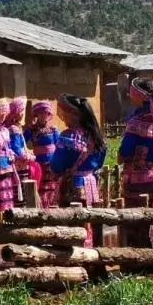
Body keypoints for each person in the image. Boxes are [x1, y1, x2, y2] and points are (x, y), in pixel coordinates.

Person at [46, 94, 106, 246]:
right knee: (89, 220)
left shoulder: (68, 137)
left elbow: (56, 166)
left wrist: (56, 171)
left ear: (73, 115)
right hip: (91, 184)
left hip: (72, 185)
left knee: (72, 223)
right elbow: (99, 163)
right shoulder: (96, 136)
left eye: (64, 114)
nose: (63, 118)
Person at [118, 78, 153, 207]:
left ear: (137, 97)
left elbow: (125, 152)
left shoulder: (136, 123)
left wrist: (120, 156)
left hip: (139, 183)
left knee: (136, 220)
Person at [25, 100, 60, 207]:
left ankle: (52, 207)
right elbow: (22, 142)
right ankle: (41, 208)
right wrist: (28, 154)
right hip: (39, 165)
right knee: (40, 187)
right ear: (37, 114)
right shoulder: (31, 130)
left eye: (46, 113)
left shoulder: (53, 130)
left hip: (52, 164)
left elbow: (59, 145)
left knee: (52, 187)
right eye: (41, 113)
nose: (44, 116)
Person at [7, 96, 35, 199]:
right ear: (16, 113)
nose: (23, 114)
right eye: (21, 111)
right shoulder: (13, 129)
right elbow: (16, 148)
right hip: (19, 165)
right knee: (21, 193)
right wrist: (29, 157)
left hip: (21, 165)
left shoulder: (16, 127)